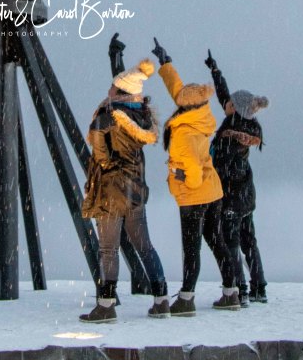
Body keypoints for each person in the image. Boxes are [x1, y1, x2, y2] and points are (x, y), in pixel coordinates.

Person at [80, 36, 169, 322]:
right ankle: (162, 298)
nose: (108, 88)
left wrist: (104, 161)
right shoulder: (140, 115)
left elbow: (101, 155)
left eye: (112, 86)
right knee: (144, 245)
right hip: (134, 190)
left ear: (119, 91)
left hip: (110, 191)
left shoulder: (106, 118)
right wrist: (115, 59)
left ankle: (105, 305)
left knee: (108, 248)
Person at [152, 37, 239, 315]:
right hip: (213, 191)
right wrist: (165, 61)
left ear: (185, 106)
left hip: (194, 195)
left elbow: (190, 173)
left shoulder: (183, 133)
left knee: (191, 248)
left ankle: (186, 299)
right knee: (216, 241)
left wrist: (178, 176)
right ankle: (231, 292)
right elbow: (178, 90)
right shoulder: (200, 113)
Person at [205, 49, 269, 305]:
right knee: (249, 240)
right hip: (246, 194)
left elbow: (219, 163)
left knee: (231, 242)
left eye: (231, 103)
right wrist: (215, 70)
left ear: (237, 109)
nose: (226, 104)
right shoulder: (247, 124)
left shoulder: (230, 133)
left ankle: (239, 290)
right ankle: (259, 288)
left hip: (231, 195)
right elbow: (224, 95)